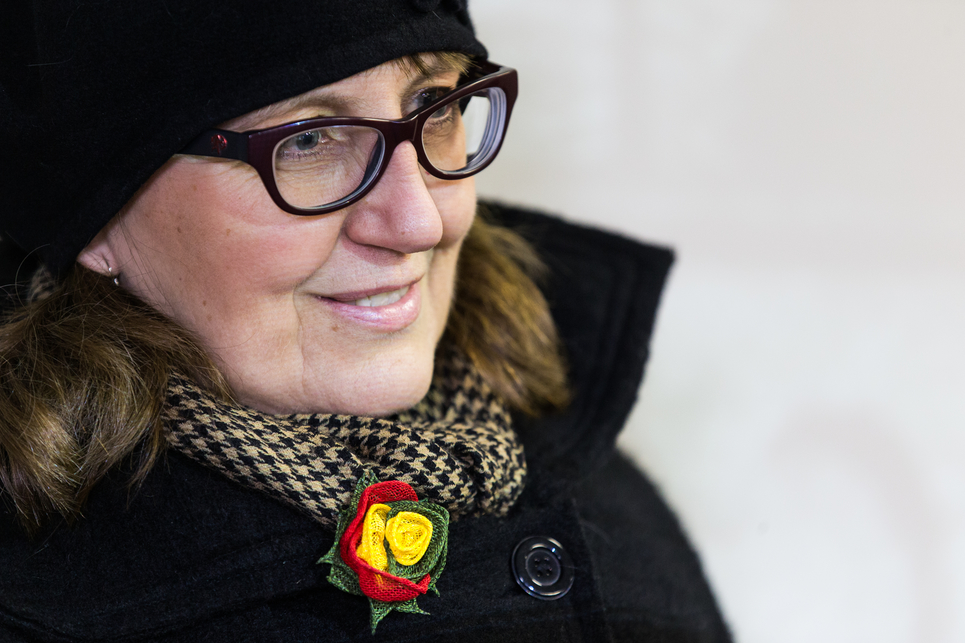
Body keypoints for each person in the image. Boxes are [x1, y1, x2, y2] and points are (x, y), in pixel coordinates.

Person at [0, 1, 731, 640]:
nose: (418, 221)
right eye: (308, 140)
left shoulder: (589, 482)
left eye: (435, 105)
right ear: (98, 212)